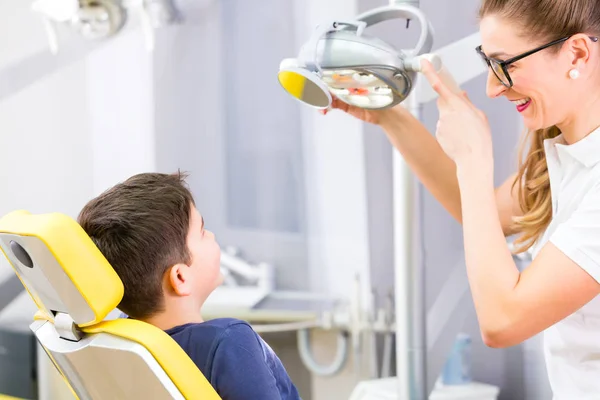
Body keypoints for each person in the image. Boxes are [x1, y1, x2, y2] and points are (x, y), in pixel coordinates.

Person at [326, 0, 600, 398]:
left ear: (577, 52)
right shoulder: (568, 154)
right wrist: (388, 115)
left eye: (506, 64)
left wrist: (473, 158)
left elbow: (502, 321)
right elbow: (476, 210)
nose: (492, 87)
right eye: (487, 63)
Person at [77, 172, 300, 400]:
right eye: (202, 232)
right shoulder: (229, 342)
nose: (212, 236)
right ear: (180, 278)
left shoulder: (125, 342)